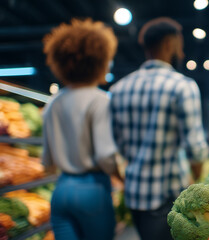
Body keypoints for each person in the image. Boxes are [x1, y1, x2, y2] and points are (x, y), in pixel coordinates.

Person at [109, 17, 209, 240]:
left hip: (135, 197)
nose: (181, 52)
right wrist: (196, 181)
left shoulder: (118, 90)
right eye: (179, 45)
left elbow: (114, 146)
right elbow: (196, 149)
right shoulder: (182, 86)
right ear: (169, 44)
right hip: (169, 196)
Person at [42, 19, 122, 240]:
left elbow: (47, 162)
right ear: (100, 60)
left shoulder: (53, 103)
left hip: (61, 191)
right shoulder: (99, 100)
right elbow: (105, 155)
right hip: (92, 191)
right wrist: (121, 175)